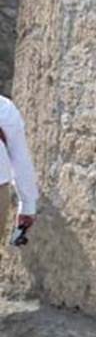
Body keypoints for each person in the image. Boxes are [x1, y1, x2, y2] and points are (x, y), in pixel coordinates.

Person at [0, 95, 38, 241]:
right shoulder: (3, 108)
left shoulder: (3, 109)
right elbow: (19, 157)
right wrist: (27, 205)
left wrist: (27, 203)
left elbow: (20, 158)